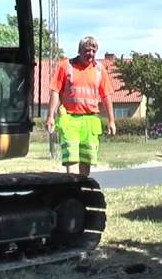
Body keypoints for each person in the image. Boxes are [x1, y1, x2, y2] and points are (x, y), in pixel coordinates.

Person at [46, 36, 117, 176]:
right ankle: (72, 185)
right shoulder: (66, 66)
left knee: (86, 159)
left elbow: (106, 96)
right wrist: (50, 116)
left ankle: (82, 185)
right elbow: (55, 91)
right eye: (87, 50)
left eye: (93, 51)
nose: (90, 54)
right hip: (70, 120)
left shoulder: (99, 70)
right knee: (71, 159)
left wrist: (111, 121)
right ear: (79, 51)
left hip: (90, 121)